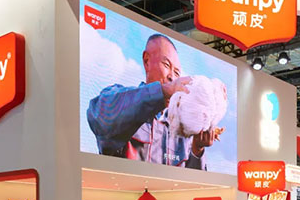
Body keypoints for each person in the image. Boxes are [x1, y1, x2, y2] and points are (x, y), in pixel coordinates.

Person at [87, 34, 221, 169]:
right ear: (146, 61)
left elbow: (188, 179)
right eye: (166, 65)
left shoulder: (180, 127)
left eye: (177, 73)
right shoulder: (122, 100)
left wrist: (197, 149)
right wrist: (163, 91)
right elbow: (100, 116)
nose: (172, 77)